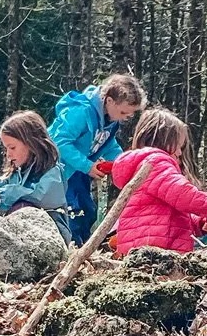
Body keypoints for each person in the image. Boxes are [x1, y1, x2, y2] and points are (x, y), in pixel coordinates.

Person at [107, 108, 207, 255]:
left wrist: (201, 224)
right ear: (165, 141)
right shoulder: (157, 164)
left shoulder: (143, 167)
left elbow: (175, 216)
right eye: (178, 146)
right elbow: (185, 195)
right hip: (156, 250)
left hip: (142, 245)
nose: (180, 152)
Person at [49, 72, 144, 241]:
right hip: (55, 171)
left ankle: (83, 248)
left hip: (77, 171)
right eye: (123, 112)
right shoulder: (80, 111)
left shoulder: (110, 119)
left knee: (87, 211)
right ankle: (72, 248)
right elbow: (59, 142)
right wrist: (87, 166)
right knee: (73, 212)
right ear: (109, 101)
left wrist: (124, 162)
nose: (126, 118)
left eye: (129, 115)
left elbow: (107, 144)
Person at [0, 110, 70, 230]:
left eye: (12, 148)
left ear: (31, 143)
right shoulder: (17, 174)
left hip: (52, 235)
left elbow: (41, 197)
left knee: (22, 206)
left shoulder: (52, 171)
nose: (8, 155)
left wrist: (1, 195)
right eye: (6, 149)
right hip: (22, 237)